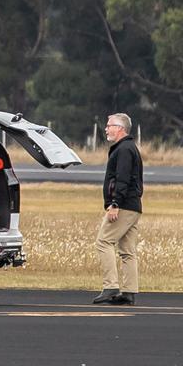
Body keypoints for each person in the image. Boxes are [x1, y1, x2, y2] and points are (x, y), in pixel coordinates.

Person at [92, 112, 144, 306]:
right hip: (133, 206)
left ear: (121, 128)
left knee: (103, 241)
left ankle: (110, 286)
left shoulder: (123, 149)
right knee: (127, 250)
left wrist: (115, 204)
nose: (106, 128)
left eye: (110, 125)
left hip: (123, 205)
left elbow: (122, 179)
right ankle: (129, 292)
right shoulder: (129, 148)